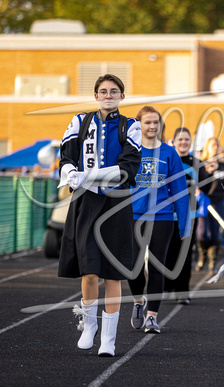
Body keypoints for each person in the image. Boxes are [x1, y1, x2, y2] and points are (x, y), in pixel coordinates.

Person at [58, 74, 142, 356]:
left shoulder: (131, 126)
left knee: (114, 274)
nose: (108, 95)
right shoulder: (79, 122)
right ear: (96, 96)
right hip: (86, 203)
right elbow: (67, 156)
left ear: (122, 96)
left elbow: (127, 169)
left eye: (114, 91)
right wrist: (69, 173)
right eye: (103, 91)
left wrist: (86, 176)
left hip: (116, 204)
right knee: (89, 270)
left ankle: (109, 338)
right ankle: (90, 325)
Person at [128, 106, 191, 334]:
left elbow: (180, 191)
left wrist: (184, 225)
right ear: (139, 125)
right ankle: (137, 302)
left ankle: (152, 317)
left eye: (156, 122)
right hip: (133, 217)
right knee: (132, 268)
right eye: (148, 122)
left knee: (157, 267)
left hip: (162, 218)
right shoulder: (129, 152)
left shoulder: (169, 153)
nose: (152, 126)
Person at [164, 127, 200, 304]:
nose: (183, 142)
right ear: (174, 141)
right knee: (167, 254)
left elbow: (210, 186)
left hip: (190, 216)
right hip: (167, 216)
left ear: (190, 142)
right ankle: (166, 286)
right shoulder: (168, 159)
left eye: (186, 139)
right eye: (180, 140)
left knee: (185, 255)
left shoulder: (196, 163)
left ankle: (182, 291)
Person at [197, 137, 224, 273]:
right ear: (207, 147)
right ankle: (202, 256)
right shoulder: (201, 164)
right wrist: (209, 172)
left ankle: (213, 261)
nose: (215, 148)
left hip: (218, 202)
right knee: (201, 233)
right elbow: (199, 183)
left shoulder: (223, 166)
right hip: (204, 202)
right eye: (212, 146)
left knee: (215, 232)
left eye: (216, 146)